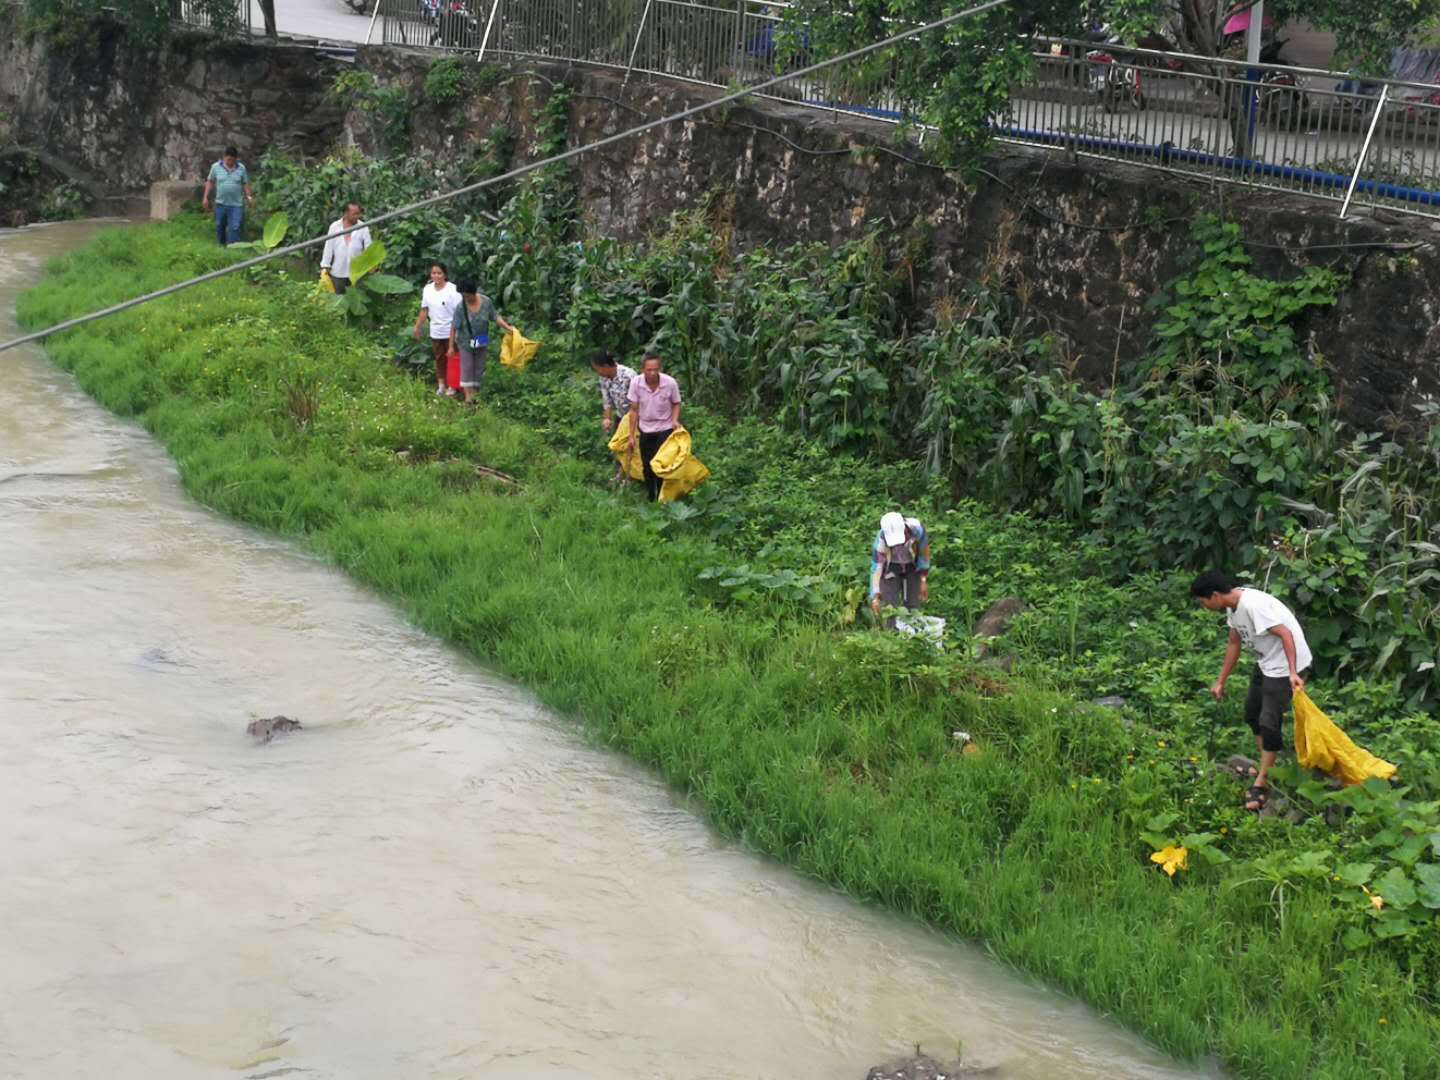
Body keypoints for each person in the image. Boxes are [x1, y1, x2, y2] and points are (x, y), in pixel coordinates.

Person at [1190, 571, 1313, 812]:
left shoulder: (1253, 606)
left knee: (1269, 722)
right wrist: (1221, 681)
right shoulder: (1232, 607)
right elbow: (1234, 642)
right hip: (1267, 663)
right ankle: (1269, 764)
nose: (1203, 606)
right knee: (1251, 714)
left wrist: (1293, 673)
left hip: (1287, 667)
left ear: (1214, 596)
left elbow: (1286, 634)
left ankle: (1263, 781)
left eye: (1202, 601)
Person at [448, 280, 515, 405]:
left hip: (481, 340)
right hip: (465, 342)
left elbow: (495, 317)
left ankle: (476, 395)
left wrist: (507, 327)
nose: (465, 298)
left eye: (467, 295)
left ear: (474, 293)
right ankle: (468, 398)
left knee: (479, 368)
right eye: (463, 295)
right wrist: (451, 346)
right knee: (467, 368)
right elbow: (454, 327)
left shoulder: (486, 302)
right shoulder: (460, 307)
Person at [625, 354, 681, 501]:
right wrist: (631, 435)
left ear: (660, 368)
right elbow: (634, 410)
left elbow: (676, 403)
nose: (652, 373)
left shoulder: (670, 383)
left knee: (660, 462)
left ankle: (662, 496)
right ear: (643, 369)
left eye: (655, 369)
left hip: (665, 427)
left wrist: (675, 420)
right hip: (645, 428)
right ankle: (651, 494)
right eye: (649, 370)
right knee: (647, 464)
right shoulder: (636, 383)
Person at [868, 512, 931, 627]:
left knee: (913, 603)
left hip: (912, 565)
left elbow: (923, 554)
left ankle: (913, 635)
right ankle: (891, 636)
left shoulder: (917, 530)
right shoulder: (881, 540)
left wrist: (923, 579)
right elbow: (876, 568)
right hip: (891, 566)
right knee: (889, 606)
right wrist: (875, 596)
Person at [412, 262, 461, 396]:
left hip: (451, 330)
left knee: (452, 358)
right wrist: (417, 327)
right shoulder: (427, 289)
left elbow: (459, 312)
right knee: (439, 358)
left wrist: (458, 331)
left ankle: (452, 385)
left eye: (439, 273)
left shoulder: (453, 289)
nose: (436, 276)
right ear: (430, 274)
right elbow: (424, 310)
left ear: (445, 274)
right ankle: (441, 385)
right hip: (436, 331)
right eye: (434, 273)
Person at [202, 146, 254, 247]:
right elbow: (210, 181)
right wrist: (205, 197)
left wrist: (249, 197)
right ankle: (221, 246)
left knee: (235, 227)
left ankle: (232, 249)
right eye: (228, 159)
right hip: (220, 204)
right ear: (224, 157)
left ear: (236, 159)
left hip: (236, 204)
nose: (230, 162)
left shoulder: (241, 168)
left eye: (232, 160)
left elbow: (245, 183)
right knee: (219, 226)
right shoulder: (216, 167)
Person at [319, 202, 372, 294]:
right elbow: (328, 247)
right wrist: (325, 265)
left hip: (356, 273)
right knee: (338, 299)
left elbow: (369, 248)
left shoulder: (363, 227)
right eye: (354, 214)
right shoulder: (334, 227)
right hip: (337, 271)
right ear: (346, 213)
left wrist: (371, 265)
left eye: (358, 213)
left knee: (355, 300)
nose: (357, 216)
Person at [590, 349, 636, 434]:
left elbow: (639, 400)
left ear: (606, 366)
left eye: (598, 369)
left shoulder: (629, 376)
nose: (598, 373)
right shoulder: (603, 378)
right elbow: (607, 401)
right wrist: (607, 418)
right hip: (621, 416)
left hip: (636, 417)